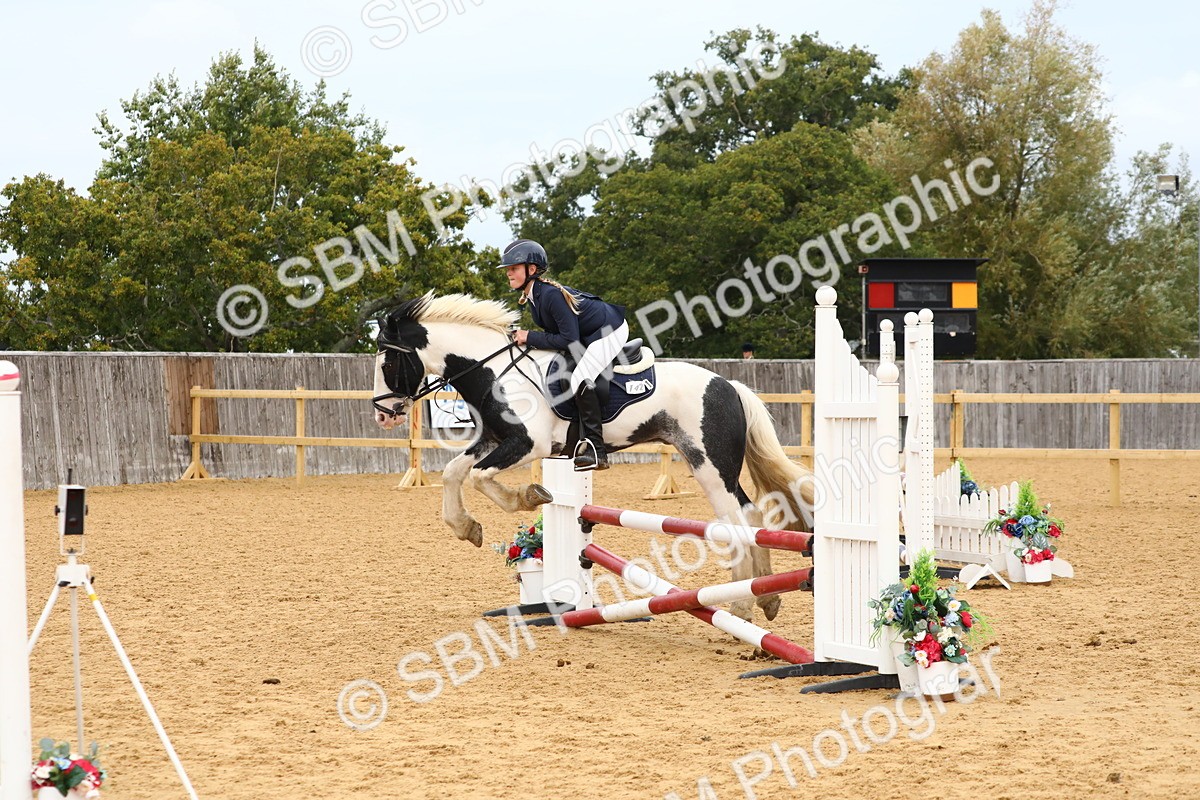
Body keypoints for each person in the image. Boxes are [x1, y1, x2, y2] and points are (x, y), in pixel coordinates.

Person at [501, 239, 628, 471]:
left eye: (514, 268)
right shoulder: (534, 297)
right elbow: (558, 337)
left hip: (609, 330)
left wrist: (529, 336)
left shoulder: (549, 296)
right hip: (588, 334)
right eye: (508, 269)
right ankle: (573, 440)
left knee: (580, 378)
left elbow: (569, 340)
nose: (509, 273)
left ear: (531, 270)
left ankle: (596, 450)